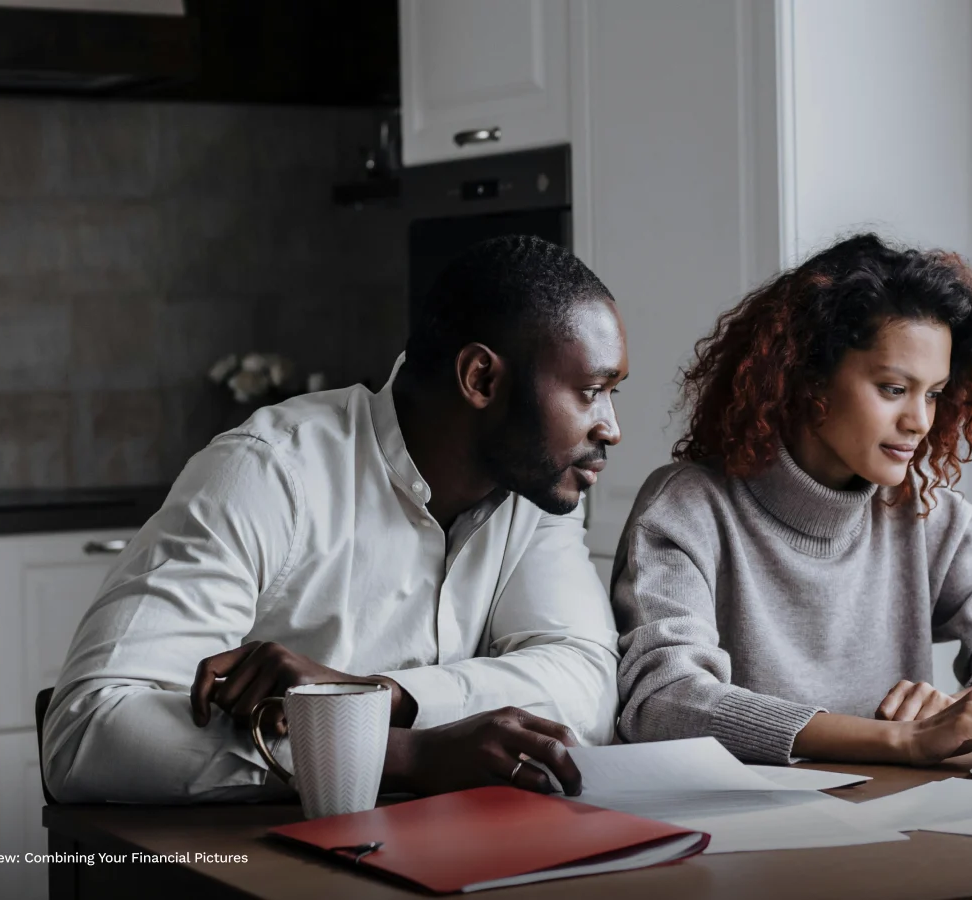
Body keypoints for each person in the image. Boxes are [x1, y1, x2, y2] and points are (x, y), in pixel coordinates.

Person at [43, 235, 628, 802]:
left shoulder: (535, 488)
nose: (611, 427)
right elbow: (87, 731)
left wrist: (380, 697)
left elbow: (586, 688)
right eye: (591, 391)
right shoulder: (268, 473)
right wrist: (407, 755)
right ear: (481, 379)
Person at [611, 233, 972, 767]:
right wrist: (904, 741)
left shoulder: (927, 514)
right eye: (892, 389)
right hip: (744, 836)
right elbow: (663, 700)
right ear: (809, 376)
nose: (920, 421)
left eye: (932, 393)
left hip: (901, 823)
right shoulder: (687, 509)